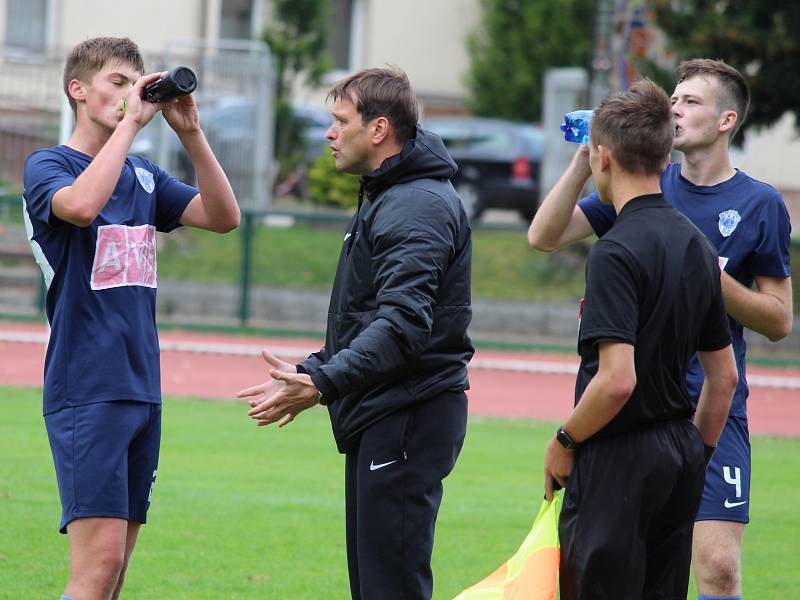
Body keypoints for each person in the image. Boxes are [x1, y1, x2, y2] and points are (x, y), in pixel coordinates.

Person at [530, 59, 793, 599]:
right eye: (673, 98)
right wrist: (587, 156)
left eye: (691, 101)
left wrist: (702, 275)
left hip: (712, 407)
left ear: (725, 120)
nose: (676, 108)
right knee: (629, 568)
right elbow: (545, 235)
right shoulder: (647, 185)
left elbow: (779, 320)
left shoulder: (760, 203)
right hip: (637, 415)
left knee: (716, 565)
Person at [237, 66, 473, 600]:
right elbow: (371, 319)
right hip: (387, 411)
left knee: (390, 588)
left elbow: (402, 327)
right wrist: (315, 371)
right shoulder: (390, 195)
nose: (329, 133)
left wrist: (324, 383)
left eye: (340, 121)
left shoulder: (416, 204)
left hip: (408, 415)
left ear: (379, 130)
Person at [23, 37, 240, 600]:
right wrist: (130, 126)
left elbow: (223, 217)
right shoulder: (48, 165)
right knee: (95, 570)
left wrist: (189, 132)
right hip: (87, 386)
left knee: (115, 574)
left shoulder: (143, 175)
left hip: (142, 386)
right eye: (117, 83)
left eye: (136, 83)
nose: (130, 95)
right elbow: (80, 207)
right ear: (78, 90)